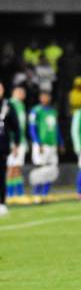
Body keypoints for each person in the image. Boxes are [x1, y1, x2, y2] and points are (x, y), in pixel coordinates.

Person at [28, 91, 63, 203]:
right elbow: (32, 128)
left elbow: (56, 128)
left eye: (47, 96)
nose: (45, 98)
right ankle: (36, 194)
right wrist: (38, 142)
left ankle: (45, 193)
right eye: (43, 96)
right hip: (42, 145)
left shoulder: (53, 111)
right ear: (40, 98)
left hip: (52, 144)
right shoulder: (35, 111)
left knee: (51, 169)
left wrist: (60, 142)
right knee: (40, 168)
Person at [0, 83, 21, 216]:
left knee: (1, 176)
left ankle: (1, 203)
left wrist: (16, 144)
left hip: (1, 147)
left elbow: (16, 126)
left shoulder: (7, 106)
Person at [5, 86, 28, 204]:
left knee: (18, 167)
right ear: (15, 93)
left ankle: (19, 193)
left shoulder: (21, 105)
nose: (23, 94)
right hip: (13, 142)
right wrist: (13, 143)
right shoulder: (9, 105)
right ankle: (8, 193)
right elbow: (9, 126)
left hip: (21, 141)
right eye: (21, 92)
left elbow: (21, 127)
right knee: (11, 167)